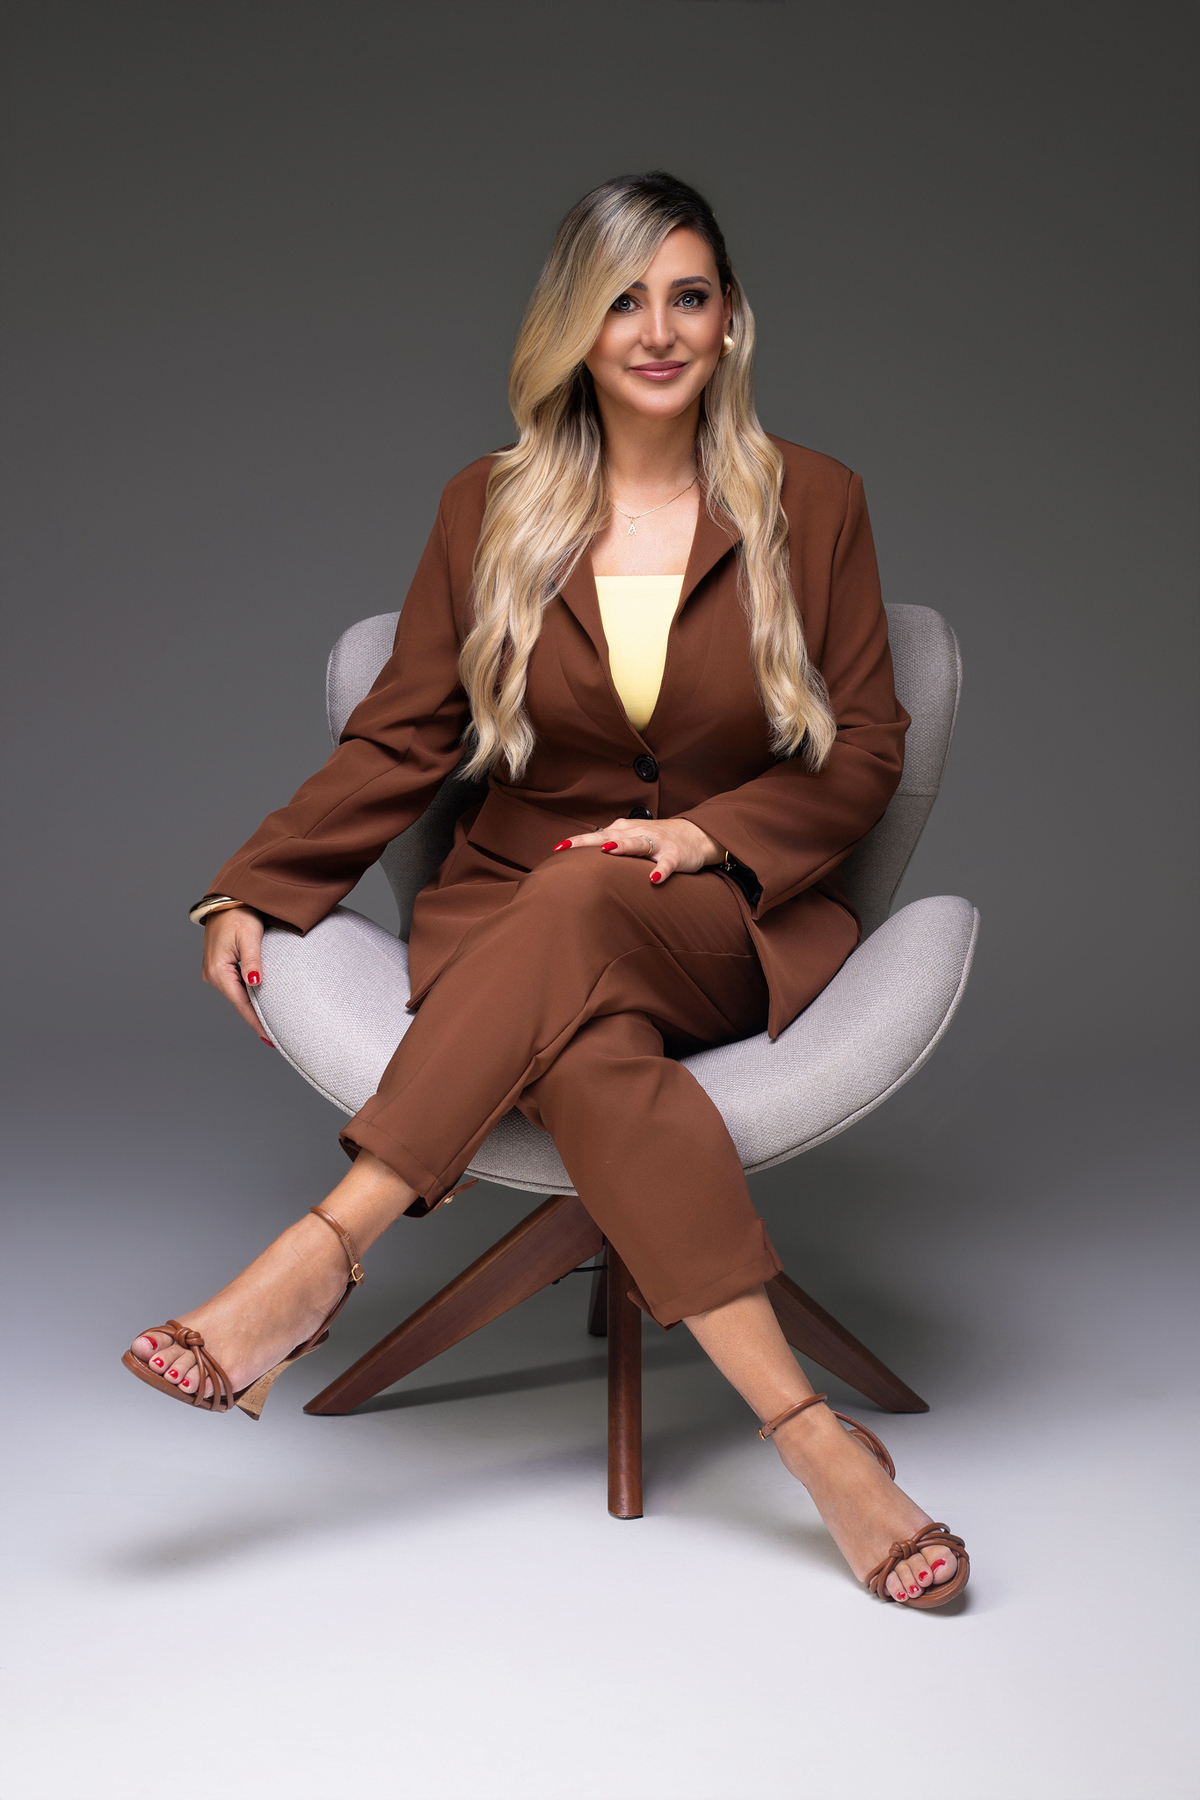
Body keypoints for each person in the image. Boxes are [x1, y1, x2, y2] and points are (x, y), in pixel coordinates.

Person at [124, 171, 968, 1608]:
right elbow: (401, 736)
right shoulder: (490, 506)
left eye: (689, 297)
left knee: (580, 907)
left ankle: (323, 1255)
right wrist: (253, 883)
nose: (660, 332)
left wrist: (709, 839)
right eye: (623, 302)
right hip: (516, 914)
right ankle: (819, 1443)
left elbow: (867, 750)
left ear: (730, 319)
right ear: (575, 327)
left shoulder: (814, 500)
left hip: (722, 917)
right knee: (584, 1034)